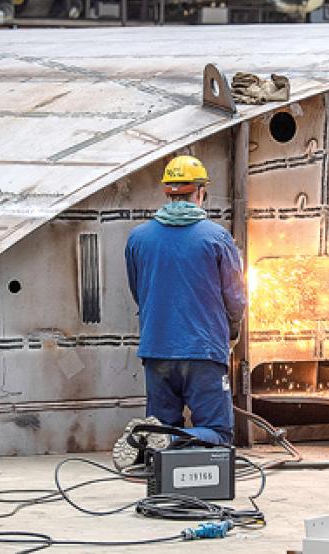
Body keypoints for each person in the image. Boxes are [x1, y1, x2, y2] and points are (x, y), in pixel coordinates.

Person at [114, 155, 246, 469]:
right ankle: (171, 438)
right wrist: (232, 330)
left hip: (156, 349)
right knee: (218, 432)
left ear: (167, 192)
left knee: (159, 426)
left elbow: (139, 292)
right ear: (200, 192)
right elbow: (236, 298)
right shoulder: (217, 237)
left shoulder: (138, 238)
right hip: (203, 352)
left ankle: (153, 438)